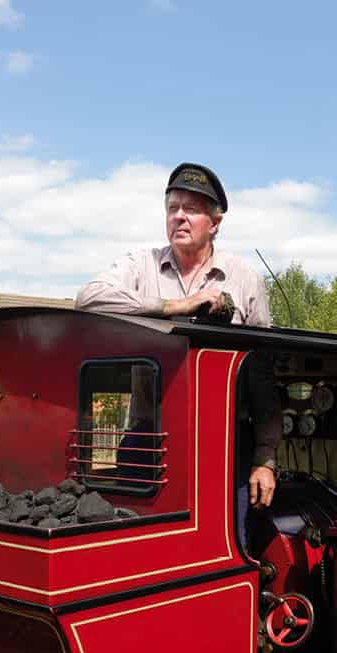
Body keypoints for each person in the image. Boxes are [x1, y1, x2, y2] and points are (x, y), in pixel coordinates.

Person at [76, 162, 279, 507]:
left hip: (227, 441)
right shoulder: (141, 264)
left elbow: (263, 374)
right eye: (172, 208)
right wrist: (177, 305)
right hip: (148, 436)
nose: (178, 217)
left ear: (215, 223)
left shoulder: (245, 278)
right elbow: (89, 298)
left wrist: (265, 459)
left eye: (191, 210)